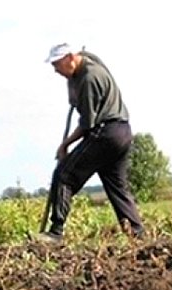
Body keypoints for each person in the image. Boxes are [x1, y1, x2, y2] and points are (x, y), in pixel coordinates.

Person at [39, 44, 144, 243]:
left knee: (64, 174)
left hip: (105, 134)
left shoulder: (88, 79)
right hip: (123, 132)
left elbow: (87, 124)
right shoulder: (88, 62)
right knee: (117, 188)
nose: (55, 70)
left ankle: (55, 232)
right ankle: (137, 236)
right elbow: (85, 60)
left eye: (57, 64)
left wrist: (65, 145)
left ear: (70, 58)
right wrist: (72, 87)